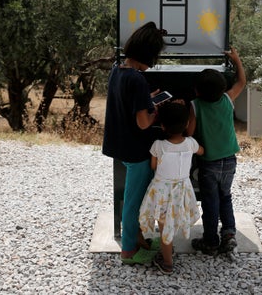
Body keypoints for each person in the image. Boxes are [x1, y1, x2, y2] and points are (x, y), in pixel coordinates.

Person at [102, 21, 166, 265]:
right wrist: (156, 110)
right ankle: (128, 250)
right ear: (149, 54)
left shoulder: (117, 69)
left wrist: (145, 101)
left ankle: (137, 238)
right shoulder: (138, 80)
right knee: (133, 201)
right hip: (137, 150)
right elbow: (142, 123)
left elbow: (124, 102)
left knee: (133, 198)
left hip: (120, 144)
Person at [187, 46, 246, 255]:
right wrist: (236, 59)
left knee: (211, 202)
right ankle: (229, 235)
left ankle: (210, 240)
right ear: (222, 88)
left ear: (197, 91)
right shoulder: (228, 99)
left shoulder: (195, 105)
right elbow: (241, 82)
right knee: (226, 197)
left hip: (209, 163)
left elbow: (189, 133)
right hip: (230, 160)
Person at [139, 101, 204, 274]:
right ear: (187, 124)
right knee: (172, 221)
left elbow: (153, 166)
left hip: (162, 193)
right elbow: (202, 151)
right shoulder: (190, 143)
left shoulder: (158, 146)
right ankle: (168, 252)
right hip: (181, 191)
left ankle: (167, 262)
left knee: (164, 226)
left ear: (162, 125)